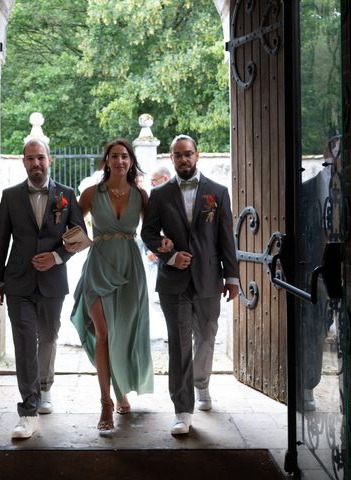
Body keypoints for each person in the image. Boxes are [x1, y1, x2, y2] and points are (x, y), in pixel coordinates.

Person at [67, 139, 172, 432]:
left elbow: (151, 232)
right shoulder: (90, 194)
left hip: (130, 269)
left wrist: (165, 243)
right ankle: (106, 403)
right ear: (107, 161)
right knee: (103, 333)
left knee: (123, 333)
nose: (120, 160)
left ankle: (121, 389)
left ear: (130, 161)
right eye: (114, 156)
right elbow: (70, 226)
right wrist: (67, 246)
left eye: (125, 156)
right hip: (98, 268)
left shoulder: (141, 195)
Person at [141, 134, 239, 435]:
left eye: (188, 154)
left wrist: (232, 276)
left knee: (207, 337)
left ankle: (201, 383)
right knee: (180, 345)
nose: (184, 159)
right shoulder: (159, 195)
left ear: (197, 155)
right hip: (174, 281)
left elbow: (225, 237)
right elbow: (148, 234)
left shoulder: (218, 192)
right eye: (178, 155)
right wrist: (169, 256)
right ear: (171, 159)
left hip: (210, 278)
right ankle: (182, 410)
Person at [0, 138, 86, 439]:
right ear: (23, 162)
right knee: (23, 343)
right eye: (30, 158)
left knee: (48, 337)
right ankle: (28, 411)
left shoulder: (67, 195)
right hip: (18, 281)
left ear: (50, 160)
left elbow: (80, 237)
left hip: (52, 282)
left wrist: (57, 256)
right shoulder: (10, 196)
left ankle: (45, 386)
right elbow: (1, 241)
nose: (36, 163)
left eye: (40, 158)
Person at [144, 166, 172, 302]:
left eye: (153, 180)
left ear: (165, 178)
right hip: (162, 251)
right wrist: (153, 247)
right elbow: (149, 228)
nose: (151, 184)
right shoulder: (155, 196)